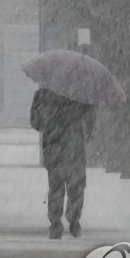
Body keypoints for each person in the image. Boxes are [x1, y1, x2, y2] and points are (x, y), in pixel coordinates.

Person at [30, 87, 95, 239]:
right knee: (77, 186)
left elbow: (35, 123)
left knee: (55, 187)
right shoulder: (79, 91)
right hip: (74, 145)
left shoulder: (43, 93)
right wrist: (88, 131)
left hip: (53, 145)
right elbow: (90, 116)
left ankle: (55, 223)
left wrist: (50, 120)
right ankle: (74, 219)